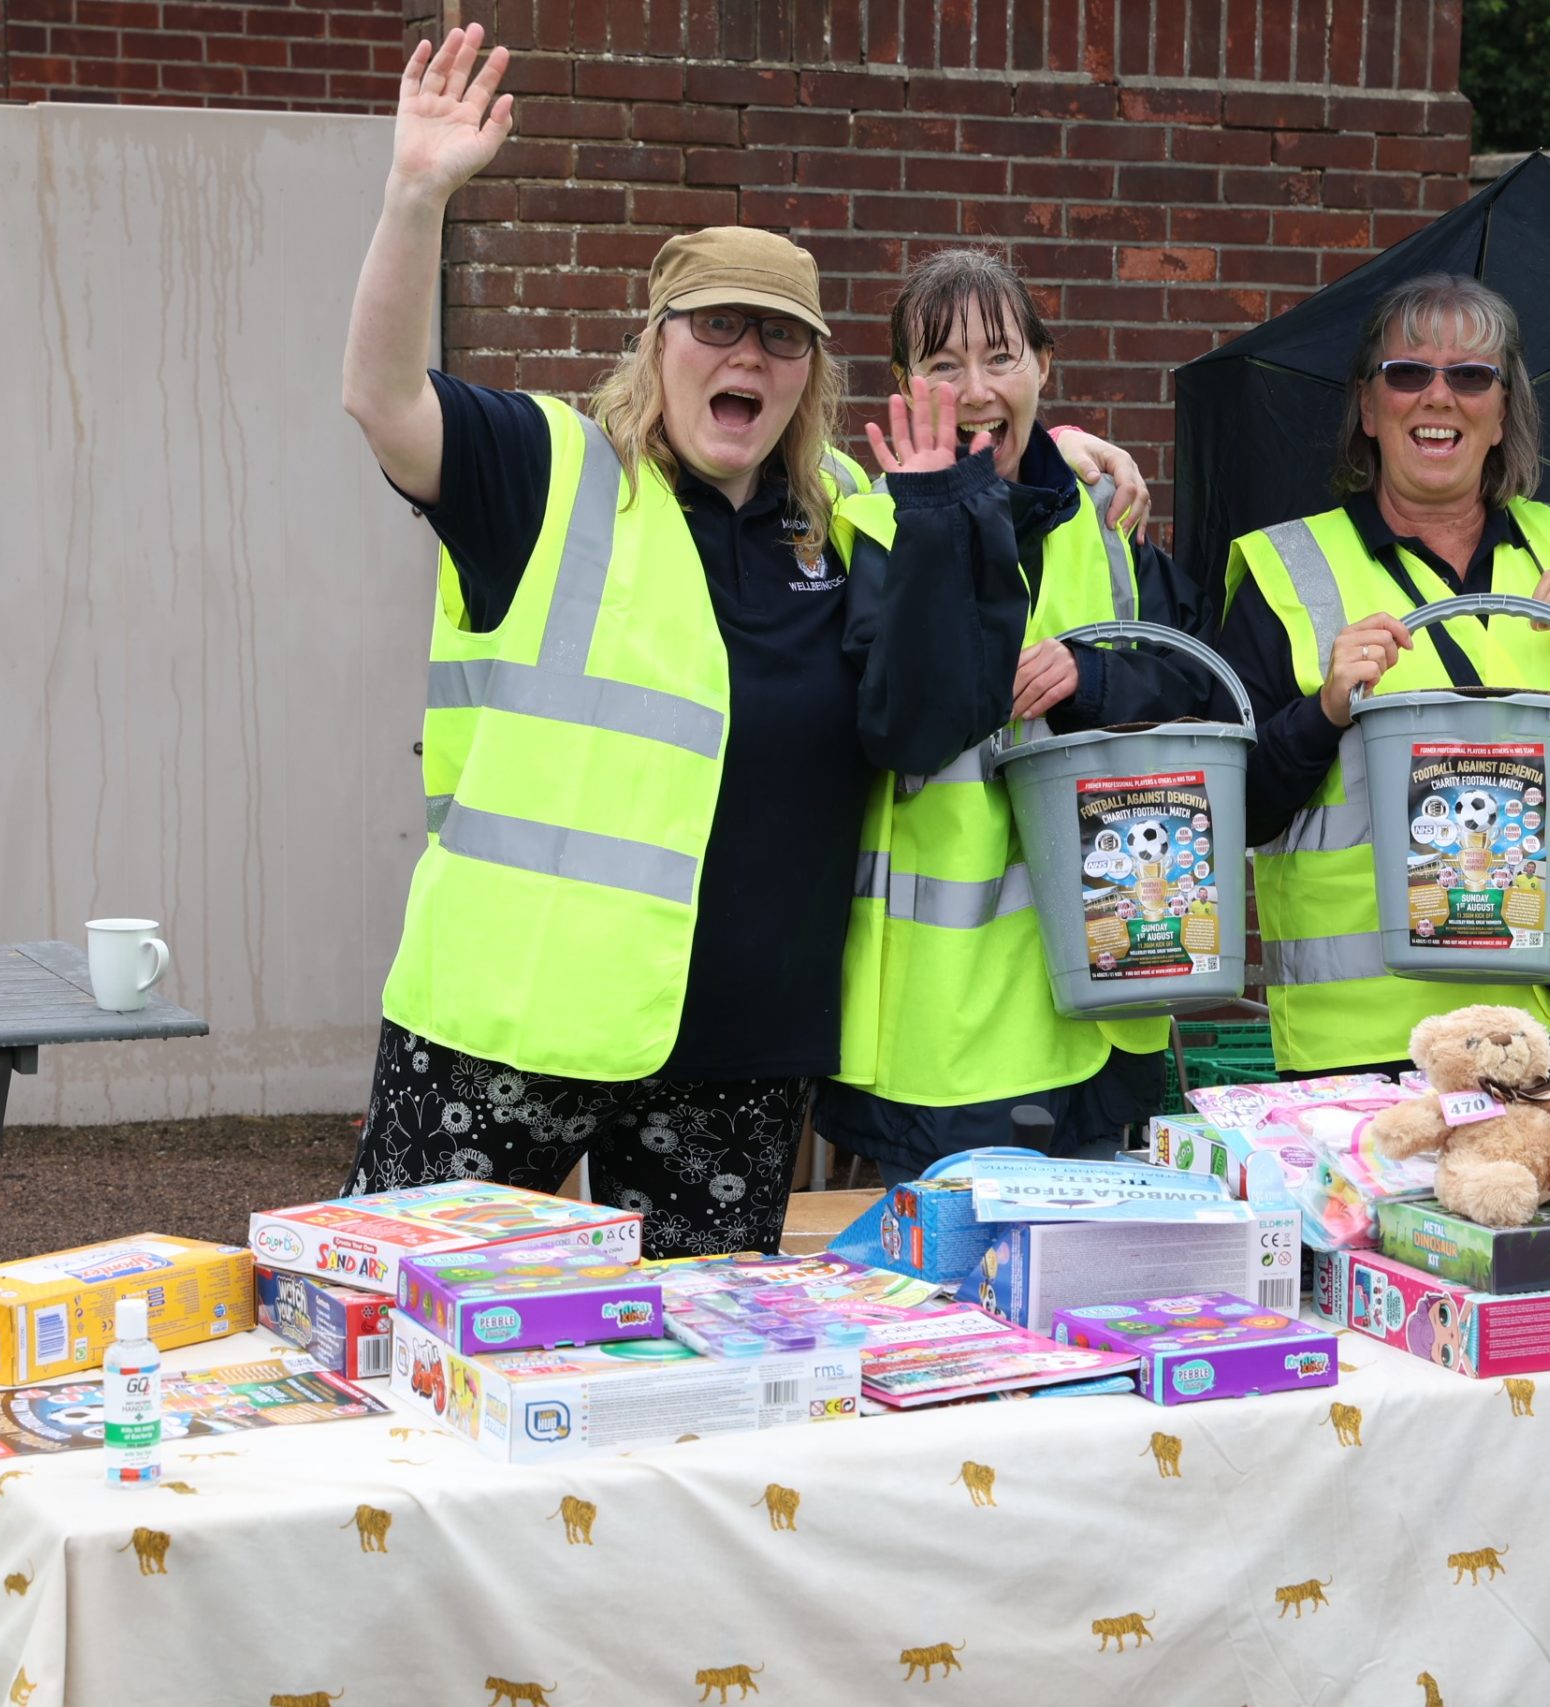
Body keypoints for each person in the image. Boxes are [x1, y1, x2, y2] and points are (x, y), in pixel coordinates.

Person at [336, 29, 1141, 1254]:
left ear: (809, 374)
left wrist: (1056, 451)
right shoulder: (547, 469)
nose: (745, 356)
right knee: (394, 1329)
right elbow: (385, 400)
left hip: (737, 1058)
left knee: (698, 1386)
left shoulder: (847, 520)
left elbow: (958, 550)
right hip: (505, 1022)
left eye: (779, 338)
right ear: (655, 340)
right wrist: (415, 198)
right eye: (715, 325)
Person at [1221, 272, 1550, 1091]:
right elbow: (1237, 810)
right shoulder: (1287, 570)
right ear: (1368, 409)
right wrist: (1325, 710)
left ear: (1503, 411)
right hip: (1369, 1041)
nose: (1438, 396)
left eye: (1471, 376)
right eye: (1408, 372)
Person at [816, 248, 1225, 1185]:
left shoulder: (1104, 525)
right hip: (944, 1036)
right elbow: (903, 729)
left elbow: (1202, 682)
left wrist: (1093, 677)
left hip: (1102, 1005)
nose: (974, 388)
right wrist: (944, 518)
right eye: (943, 364)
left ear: (1045, 363)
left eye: (1000, 357)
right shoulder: (872, 528)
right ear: (904, 385)